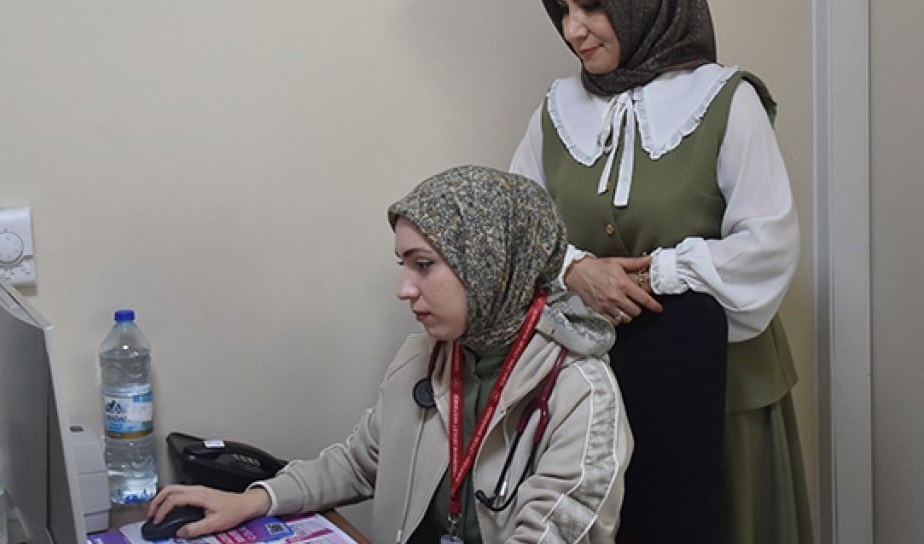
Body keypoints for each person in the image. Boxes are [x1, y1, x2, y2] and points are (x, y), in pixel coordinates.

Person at [510, 0, 812, 543]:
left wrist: (662, 271)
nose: (574, 29)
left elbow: (769, 244)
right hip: (593, 387)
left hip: (719, 386)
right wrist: (576, 269)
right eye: (563, 10)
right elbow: (518, 230)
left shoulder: (726, 99)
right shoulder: (556, 109)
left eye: (592, 6)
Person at [147, 165, 632, 544]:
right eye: (403, 266)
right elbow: (359, 464)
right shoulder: (426, 354)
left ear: (488, 265)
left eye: (424, 266)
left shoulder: (580, 394)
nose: (404, 289)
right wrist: (254, 500)